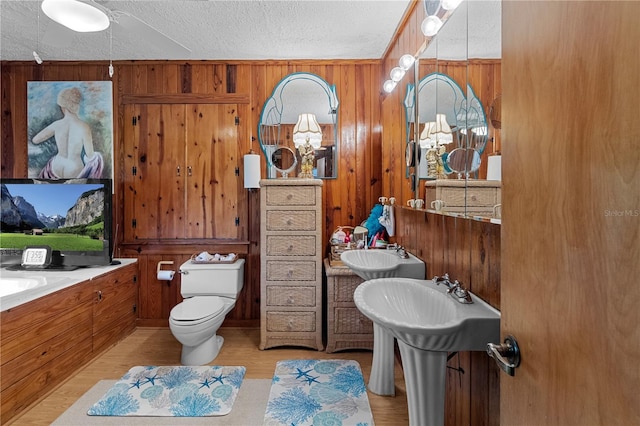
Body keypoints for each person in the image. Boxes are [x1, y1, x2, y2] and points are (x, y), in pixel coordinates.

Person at [32, 87, 104, 179]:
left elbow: (35, 140)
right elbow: (90, 154)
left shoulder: (56, 125)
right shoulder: (84, 127)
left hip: (56, 166)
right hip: (74, 168)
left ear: (63, 107)